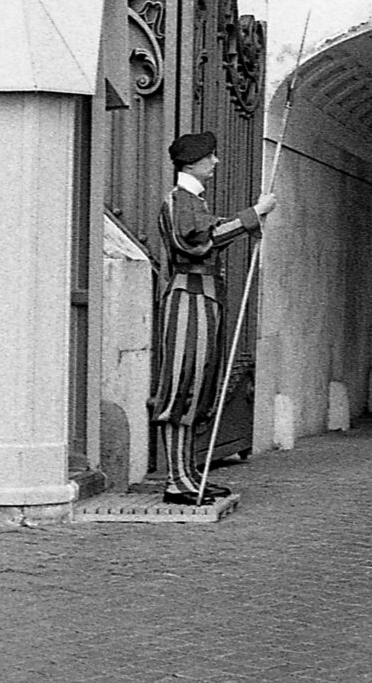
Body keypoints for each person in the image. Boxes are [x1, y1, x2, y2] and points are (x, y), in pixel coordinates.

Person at [149, 131, 277, 506]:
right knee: (182, 387)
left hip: (204, 300)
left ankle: (188, 474)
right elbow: (197, 241)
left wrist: (248, 223)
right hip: (188, 299)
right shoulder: (179, 201)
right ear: (194, 162)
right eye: (212, 157)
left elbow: (211, 228)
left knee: (199, 388)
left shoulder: (194, 202)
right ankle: (176, 481)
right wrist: (253, 216)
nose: (217, 162)